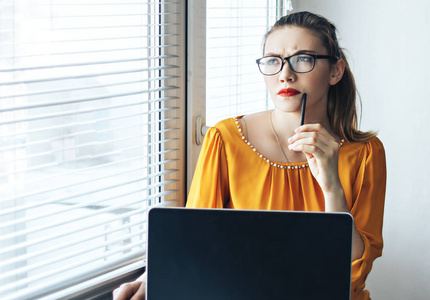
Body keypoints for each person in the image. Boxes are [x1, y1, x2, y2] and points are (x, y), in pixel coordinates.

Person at [113, 11, 386, 300]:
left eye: (303, 59)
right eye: (273, 61)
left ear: (335, 71)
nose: (285, 74)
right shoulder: (226, 138)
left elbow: (353, 273)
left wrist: (332, 187)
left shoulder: (366, 153)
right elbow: (195, 240)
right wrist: (152, 276)